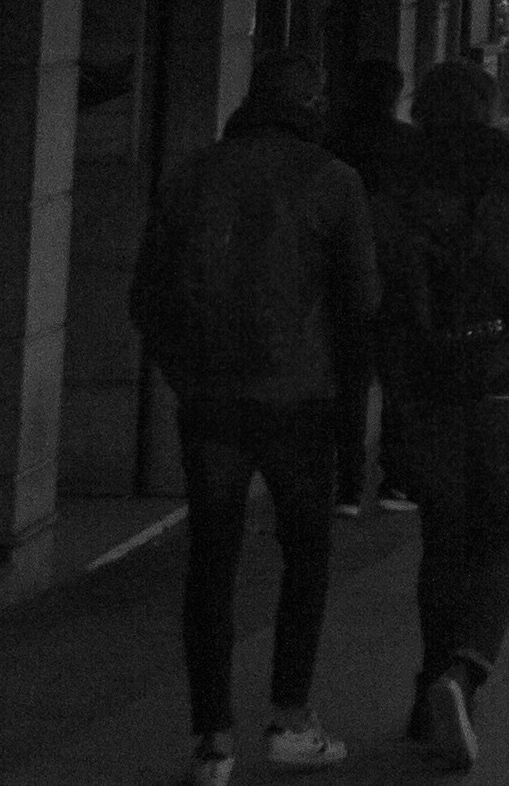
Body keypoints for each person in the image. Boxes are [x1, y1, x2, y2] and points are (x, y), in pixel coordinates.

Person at [133, 55, 378, 786]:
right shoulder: (334, 181)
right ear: (312, 103)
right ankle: (291, 719)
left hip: (210, 401)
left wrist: (187, 375)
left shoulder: (190, 175)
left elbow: (146, 296)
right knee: (306, 557)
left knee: (211, 560)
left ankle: (212, 741)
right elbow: (362, 302)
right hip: (301, 401)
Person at [370, 59, 509, 772]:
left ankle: (426, 695)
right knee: (506, 537)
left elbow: (379, 292)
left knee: (444, 538)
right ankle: (463, 675)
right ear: (492, 108)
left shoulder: (401, 186)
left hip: (430, 385)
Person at [325, 58, 419, 514]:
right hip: (396, 275)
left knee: (349, 382)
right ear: (397, 93)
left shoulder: (331, 141)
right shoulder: (410, 144)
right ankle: (396, 480)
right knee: (399, 380)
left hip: (340, 273)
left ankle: (346, 484)